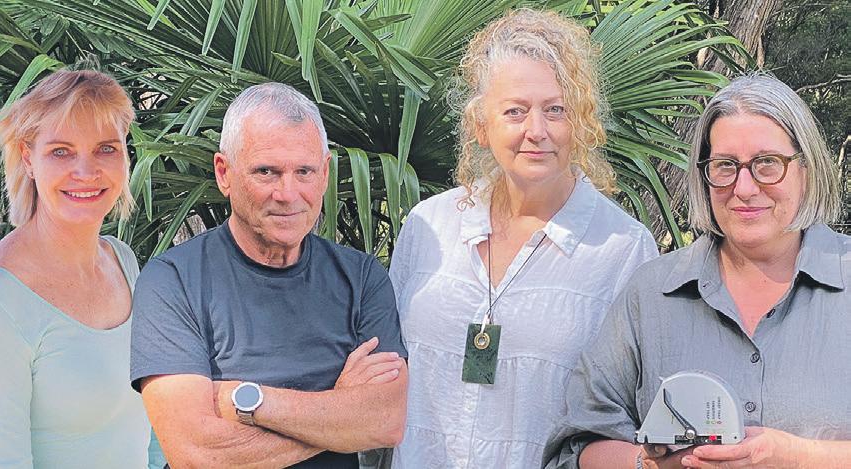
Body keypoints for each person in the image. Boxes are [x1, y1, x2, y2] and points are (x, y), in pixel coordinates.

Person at [387, 9, 659, 468]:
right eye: (515, 111)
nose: (537, 131)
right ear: (480, 125)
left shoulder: (623, 250)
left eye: (556, 110)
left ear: (581, 121)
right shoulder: (428, 226)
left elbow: (631, 413)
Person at [543, 74, 851, 469]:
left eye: (767, 164)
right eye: (724, 166)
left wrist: (796, 456)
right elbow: (578, 445)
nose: (744, 188)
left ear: (806, 169)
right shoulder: (652, 294)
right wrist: (647, 464)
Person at [129, 82, 408, 468]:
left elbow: (385, 420)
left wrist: (246, 401)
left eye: (304, 171)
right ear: (224, 173)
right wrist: (340, 411)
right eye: (266, 172)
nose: (287, 193)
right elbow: (196, 454)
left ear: (325, 173)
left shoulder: (361, 278)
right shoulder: (173, 281)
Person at [0, 69, 162, 468]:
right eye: (61, 151)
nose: (86, 171)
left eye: (106, 148)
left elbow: (149, 422)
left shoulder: (122, 261)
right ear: (28, 159)